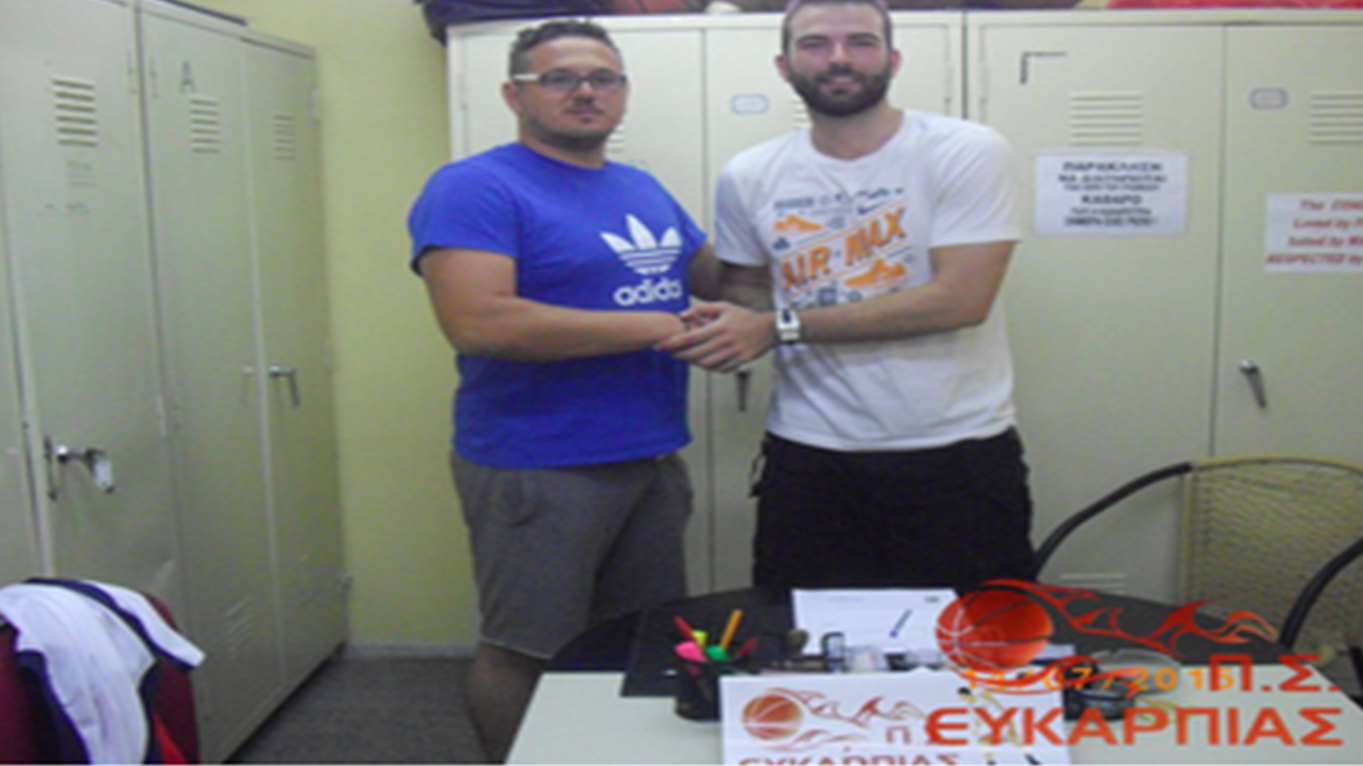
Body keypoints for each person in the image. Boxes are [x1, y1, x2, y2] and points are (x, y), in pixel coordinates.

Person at [407, 19, 719, 763]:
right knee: (525, 648)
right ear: (514, 94)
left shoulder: (638, 186)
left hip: (648, 458)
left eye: (602, 78)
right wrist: (659, 327)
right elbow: (480, 322)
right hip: (539, 465)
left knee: (637, 638)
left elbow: (714, 278)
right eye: (559, 78)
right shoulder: (475, 187)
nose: (585, 91)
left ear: (622, 93)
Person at [660, 0, 1037, 592]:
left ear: (893, 59)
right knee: (804, 636)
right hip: (808, 453)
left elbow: (960, 300)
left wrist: (777, 327)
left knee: (972, 640)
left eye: (860, 42)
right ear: (784, 65)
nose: (839, 58)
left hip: (954, 452)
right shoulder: (750, 173)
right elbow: (750, 291)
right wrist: (716, 312)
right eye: (815, 44)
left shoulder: (963, 149)